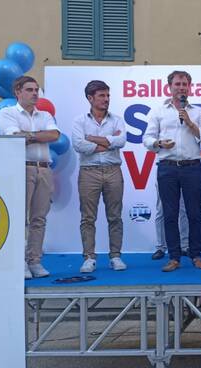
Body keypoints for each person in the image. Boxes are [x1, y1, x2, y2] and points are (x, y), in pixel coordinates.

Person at [143, 70, 201, 272]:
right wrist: (158, 143)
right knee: (170, 214)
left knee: (194, 213)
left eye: (184, 84)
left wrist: (190, 123)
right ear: (170, 87)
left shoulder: (197, 112)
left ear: (189, 88)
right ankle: (174, 257)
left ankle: (196, 254)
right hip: (167, 167)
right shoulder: (158, 111)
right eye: (177, 84)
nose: (181, 88)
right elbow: (147, 139)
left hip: (191, 167)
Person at [0, 75, 60, 279]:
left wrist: (29, 135)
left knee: (39, 218)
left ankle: (35, 260)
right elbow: (15, 138)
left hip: (44, 168)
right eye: (30, 90)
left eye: (36, 90)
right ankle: (20, 262)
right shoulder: (7, 113)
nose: (35, 93)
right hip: (21, 168)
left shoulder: (44, 115)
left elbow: (54, 136)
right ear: (18, 92)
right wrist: (38, 135)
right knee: (19, 218)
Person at [71, 80, 127, 273]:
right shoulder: (80, 121)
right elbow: (79, 145)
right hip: (89, 172)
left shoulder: (117, 119)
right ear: (90, 98)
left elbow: (121, 141)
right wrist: (108, 143)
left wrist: (93, 138)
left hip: (113, 170)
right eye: (102, 96)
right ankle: (89, 257)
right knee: (88, 217)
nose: (106, 99)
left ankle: (115, 256)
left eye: (108, 95)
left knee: (115, 216)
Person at [151, 186, 188, 260]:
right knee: (161, 211)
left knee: (183, 210)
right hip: (163, 176)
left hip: (183, 175)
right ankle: (161, 247)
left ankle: (184, 246)